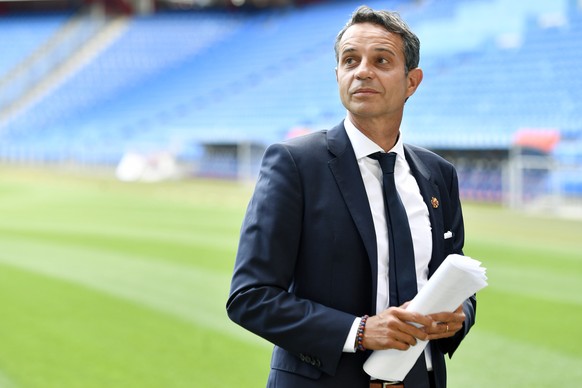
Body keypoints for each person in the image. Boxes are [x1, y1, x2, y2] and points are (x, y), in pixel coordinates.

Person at [226, 5, 476, 388]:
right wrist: (359, 331)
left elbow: (452, 276)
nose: (362, 71)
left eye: (381, 60)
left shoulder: (438, 175)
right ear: (338, 75)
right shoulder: (295, 164)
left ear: (412, 82)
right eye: (350, 60)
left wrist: (460, 315)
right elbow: (251, 296)